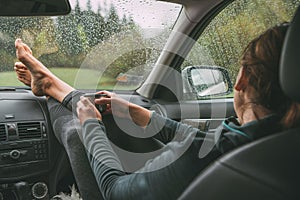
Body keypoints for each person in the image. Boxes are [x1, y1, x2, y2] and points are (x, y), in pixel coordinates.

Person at [14, 23, 298, 200]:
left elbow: (113, 191)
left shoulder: (200, 161)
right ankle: (52, 85)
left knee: (74, 129)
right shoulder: (282, 145)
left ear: (242, 79)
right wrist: (146, 116)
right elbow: (216, 146)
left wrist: (91, 126)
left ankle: (52, 86)